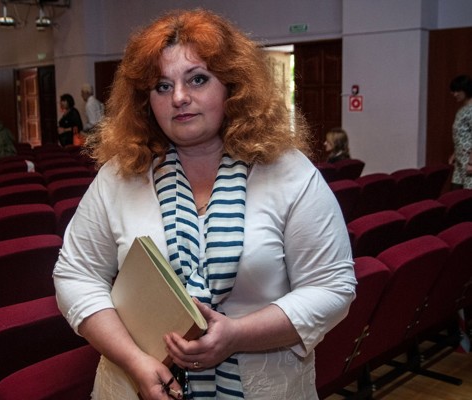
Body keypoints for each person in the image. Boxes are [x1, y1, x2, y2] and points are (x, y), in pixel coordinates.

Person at [53, 9, 356, 400]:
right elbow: (75, 276)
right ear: (145, 100)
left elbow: (332, 286)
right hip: (136, 383)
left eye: (197, 79)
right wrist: (134, 360)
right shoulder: (119, 177)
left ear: (232, 85)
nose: (179, 98)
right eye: (162, 86)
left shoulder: (289, 173)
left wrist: (237, 335)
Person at [448, 75, 472, 189]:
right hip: (460, 159)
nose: (455, 94)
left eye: (457, 91)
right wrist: (455, 153)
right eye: (453, 91)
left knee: (467, 194)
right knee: (456, 193)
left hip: (468, 160)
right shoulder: (462, 109)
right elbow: (462, 135)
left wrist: (471, 163)